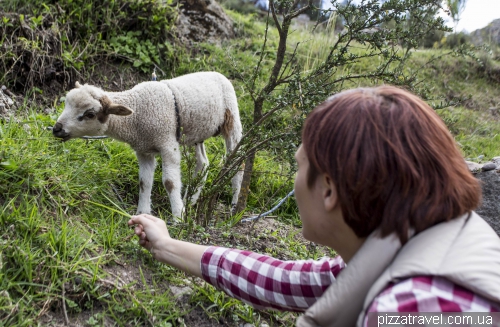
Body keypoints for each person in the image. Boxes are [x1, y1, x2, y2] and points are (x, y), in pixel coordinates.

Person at [128, 85, 500, 327]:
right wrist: (166, 244)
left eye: (298, 165)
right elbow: (287, 280)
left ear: (329, 191)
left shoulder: (409, 309)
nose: (294, 179)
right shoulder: (410, 246)